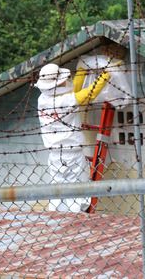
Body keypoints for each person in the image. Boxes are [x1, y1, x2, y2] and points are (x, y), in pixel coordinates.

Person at [35, 62, 110, 212]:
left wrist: (82, 69)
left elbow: (73, 93)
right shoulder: (66, 101)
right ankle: (76, 220)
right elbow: (89, 93)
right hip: (72, 154)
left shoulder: (42, 100)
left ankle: (57, 219)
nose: (65, 81)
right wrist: (107, 74)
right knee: (78, 190)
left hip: (54, 154)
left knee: (58, 190)